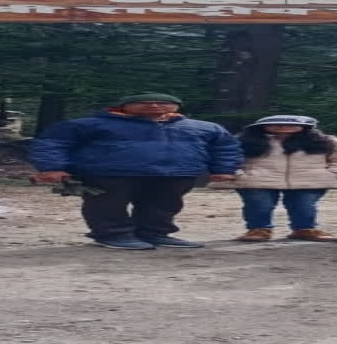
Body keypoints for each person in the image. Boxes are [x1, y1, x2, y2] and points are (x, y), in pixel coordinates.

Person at [29, 92, 242, 250]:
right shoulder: (87, 125)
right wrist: (52, 168)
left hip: (177, 173)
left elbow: (226, 147)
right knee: (107, 205)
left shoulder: (204, 127)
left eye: (162, 102)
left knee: (165, 205)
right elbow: (52, 143)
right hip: (108, 172)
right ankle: (112, 235)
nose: (154, 105)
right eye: (144, 102)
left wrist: (223, 169)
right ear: (124, 106)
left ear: (176, 106)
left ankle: (154, 233)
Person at [208, 115, 337, 243]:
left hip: (310, 179)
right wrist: (237, 173)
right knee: (258, 204)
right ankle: (259, 230)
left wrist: (333, 172)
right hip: (256, 179)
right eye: (276, 124)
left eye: (288, 124)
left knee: (305, 205)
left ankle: (305, 229)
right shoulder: (242, 140)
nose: (282, 127)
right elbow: (225, 156)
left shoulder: (328, 141)